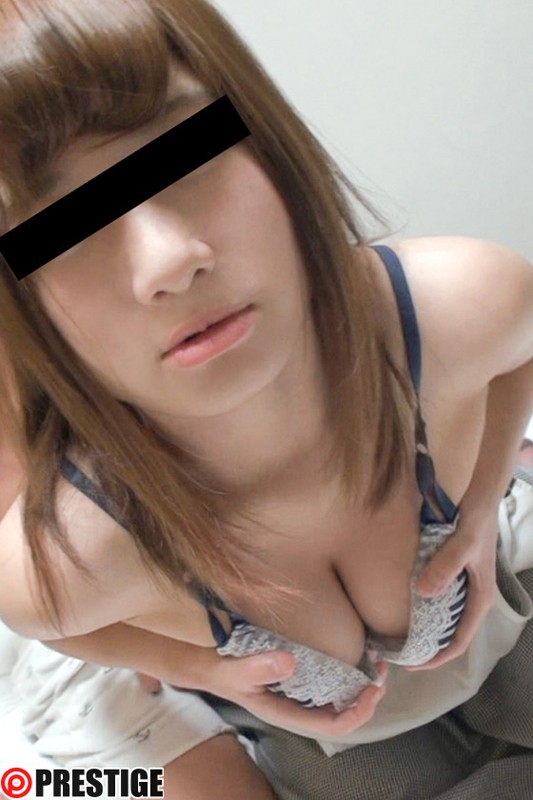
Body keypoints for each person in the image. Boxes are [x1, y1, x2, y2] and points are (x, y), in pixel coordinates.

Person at [0, 1, 532, 798]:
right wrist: (193, 667)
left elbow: (519, 350)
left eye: (186, 154)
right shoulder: (70, 558)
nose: (169, 260)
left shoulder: (455, 305)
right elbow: (50, 624)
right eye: (64, 227)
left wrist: (484, 502)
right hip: (336, 755)